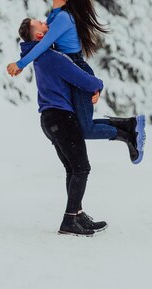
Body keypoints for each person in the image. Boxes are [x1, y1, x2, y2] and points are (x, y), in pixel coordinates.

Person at [7, 0, 145, 164]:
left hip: (77, 69)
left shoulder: (64, 17)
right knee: (82, 125)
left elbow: (44, 45)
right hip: (71, 69)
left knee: (85, 129)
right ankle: (128, 125)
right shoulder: (54, 17)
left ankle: (127, 135)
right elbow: (43, 43)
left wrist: (21, 63)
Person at [18, 17, 108, 236]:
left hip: (51, 120)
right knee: (81, 168)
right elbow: (83, 79)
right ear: (39, 35)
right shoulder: (51, 57)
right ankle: (69, 220)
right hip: (61, 119)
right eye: (39, 23)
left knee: (73, 168)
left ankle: (76, 214)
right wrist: (98, 85)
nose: (43, 21)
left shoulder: (41, 56)